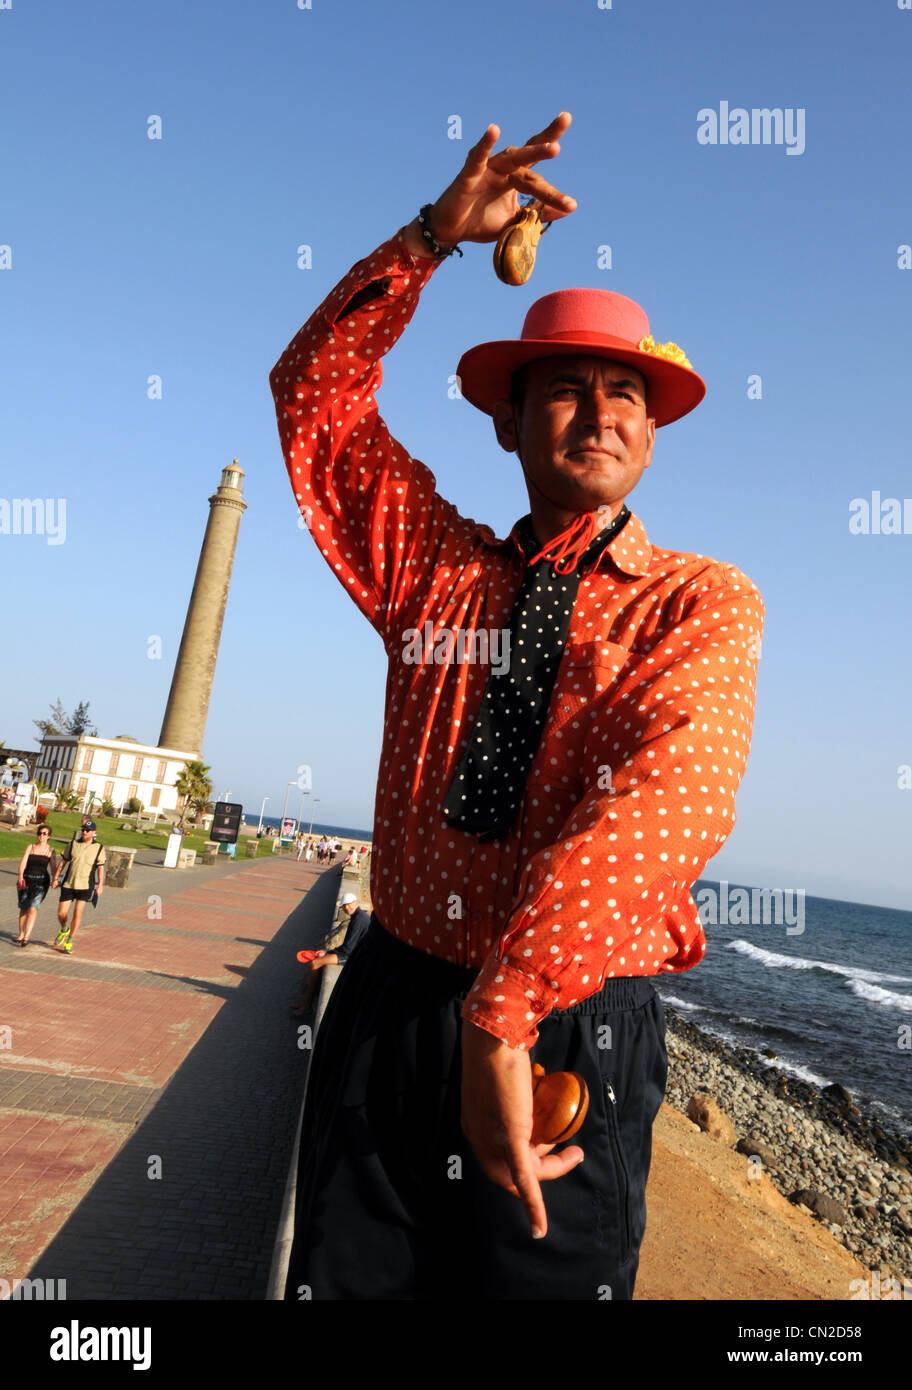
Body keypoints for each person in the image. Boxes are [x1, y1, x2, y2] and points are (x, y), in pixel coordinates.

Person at [270, 113, 764, 1300]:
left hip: (569, 1028)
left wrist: (509, 1006)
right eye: (563, 390)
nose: (599, 412)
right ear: (505, 420)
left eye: (624, 394)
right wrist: (436, 235)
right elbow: (315, 401)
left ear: (652, 433)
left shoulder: (699, 603)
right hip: (396, 1007)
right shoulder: (433, 572)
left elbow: (674, 795)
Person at [292, 892, 371, 1016]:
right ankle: (305, 1003)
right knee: (318, 960)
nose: (346, 908)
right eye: (344, 906)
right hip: (356, 953)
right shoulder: (359, 916)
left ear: (356, 903)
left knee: (315, 963)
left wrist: (327, 953)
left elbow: (347, 950)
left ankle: (306, 1005)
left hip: (355, 956)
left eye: (349, 905)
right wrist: (327, 952)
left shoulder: (358, 920)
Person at [51, 820, 106, 955]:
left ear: (94, 833)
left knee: (77, 913)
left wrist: (100, 885)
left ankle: (70, 940)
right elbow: (63, 862)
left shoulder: (99, 847)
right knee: (61, 913)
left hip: (85, 885)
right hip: (69, 883)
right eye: (83, 829)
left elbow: (100, 868)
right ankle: (64, 929)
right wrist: (55, 878)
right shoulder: (73, 844)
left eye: (87, 830)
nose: (84, 832)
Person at [15, 825, 58, 946]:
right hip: (26, 880)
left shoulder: (51, 850)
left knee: (33, 907)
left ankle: (26, 937)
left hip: (41, 882)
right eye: (40, 833)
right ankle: (21, 933)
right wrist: (20, 876)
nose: (41, 836)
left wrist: (55, 879)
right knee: (24, 907)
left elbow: (53, 867)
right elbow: (23, 862)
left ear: (48, 836)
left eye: (44, 834)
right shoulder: (31, 847)